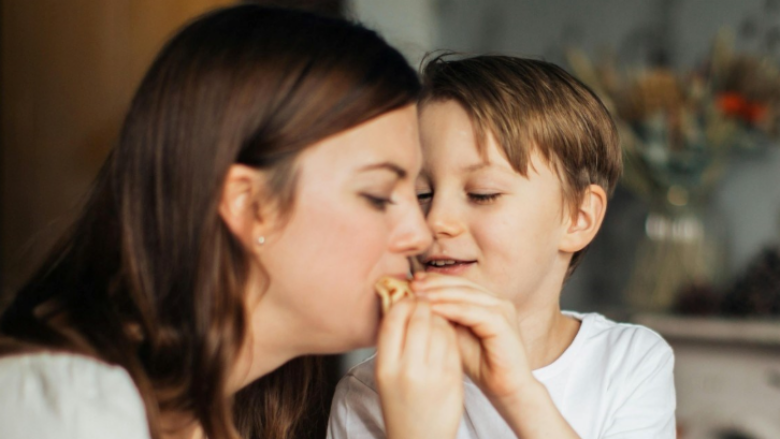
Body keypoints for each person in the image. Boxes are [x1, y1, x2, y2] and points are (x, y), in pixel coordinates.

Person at [0, 6, 464, 439]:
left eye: (414, 194)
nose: (420, 234)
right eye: (379, 195)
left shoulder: (239, 410)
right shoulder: (67, 407)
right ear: (248, 203)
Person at [328, 55, 676, 439]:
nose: (433, 221)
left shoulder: (628, 363)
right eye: (421, 193)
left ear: (579, 217)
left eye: (482, 194)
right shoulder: (372, 393)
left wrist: (514, 392)